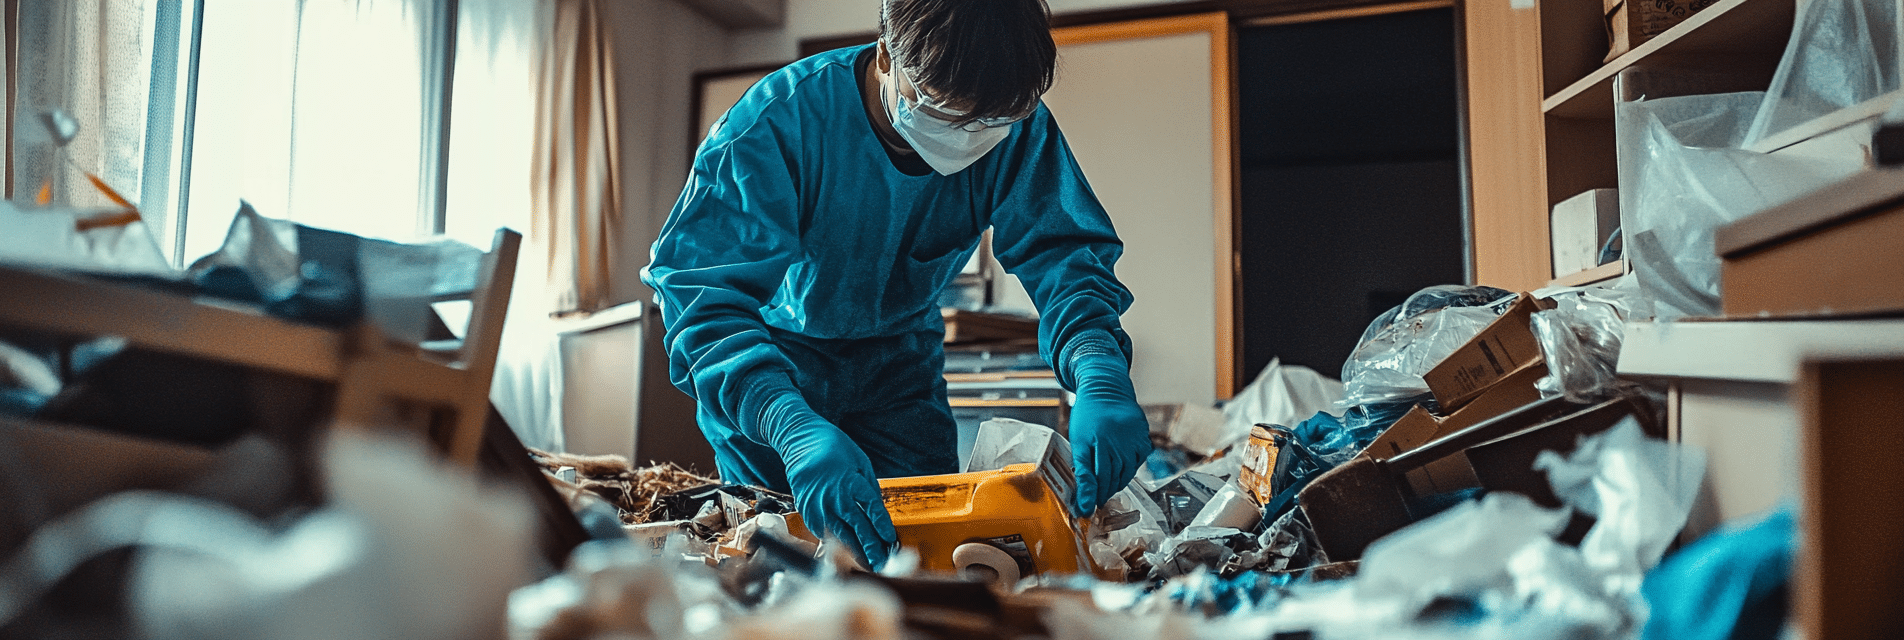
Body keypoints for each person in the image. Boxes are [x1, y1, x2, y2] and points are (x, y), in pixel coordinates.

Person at [641, 0, 1149, 569]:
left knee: (928, 557)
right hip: (772, 366)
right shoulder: (777, 125)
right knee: (778, 561)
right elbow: (701, 298)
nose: (968, 141)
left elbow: (1065, 257)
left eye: (989, 124)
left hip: (901, 367)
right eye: (947, 113)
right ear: (886, 56)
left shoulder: (1017, 125)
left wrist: (1099, 371)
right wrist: (791, 427)